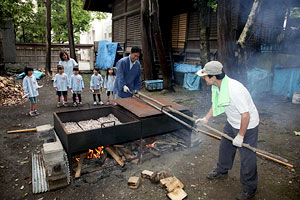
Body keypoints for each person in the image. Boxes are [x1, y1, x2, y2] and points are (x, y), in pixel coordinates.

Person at [195, 61, 259, 200]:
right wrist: (206, 118)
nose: (204, 79)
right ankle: (222, 171)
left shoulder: (234, 90)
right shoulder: (218, 86)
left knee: (247, 157)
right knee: (225, 147)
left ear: (213, 77)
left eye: (205, 76)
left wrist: (241, 136)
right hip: (232, 121)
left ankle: (250, 188)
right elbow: (217, 103)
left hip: (247, 125)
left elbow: (245, 115)